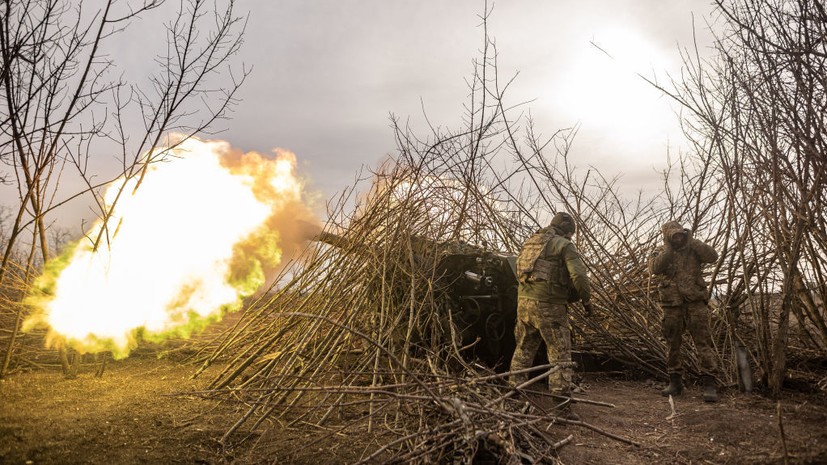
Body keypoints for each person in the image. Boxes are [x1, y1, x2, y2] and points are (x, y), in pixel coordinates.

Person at [510, 211, 592, 418]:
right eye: (571, 234)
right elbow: (579, 276)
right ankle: (561, 408)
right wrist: (585, 299)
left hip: (524, 303)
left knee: (523, 349)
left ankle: (513, 397)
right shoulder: (563, 245)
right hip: (550, 306)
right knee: (560, 353)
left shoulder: (531, 242)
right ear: (567, 231)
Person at [649, 221, 720, 402]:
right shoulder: (661, 251)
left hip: (695, 303)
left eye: (680, 235)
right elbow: (654, 269)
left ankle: (709, 384)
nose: (678, 238)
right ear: (666, 237)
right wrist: (668, 248)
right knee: (672, 344)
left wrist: (692, 241)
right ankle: (675, 382)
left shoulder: (694, 248)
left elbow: (713, 256)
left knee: (703, 343)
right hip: (671, 305)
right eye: (674, 236)